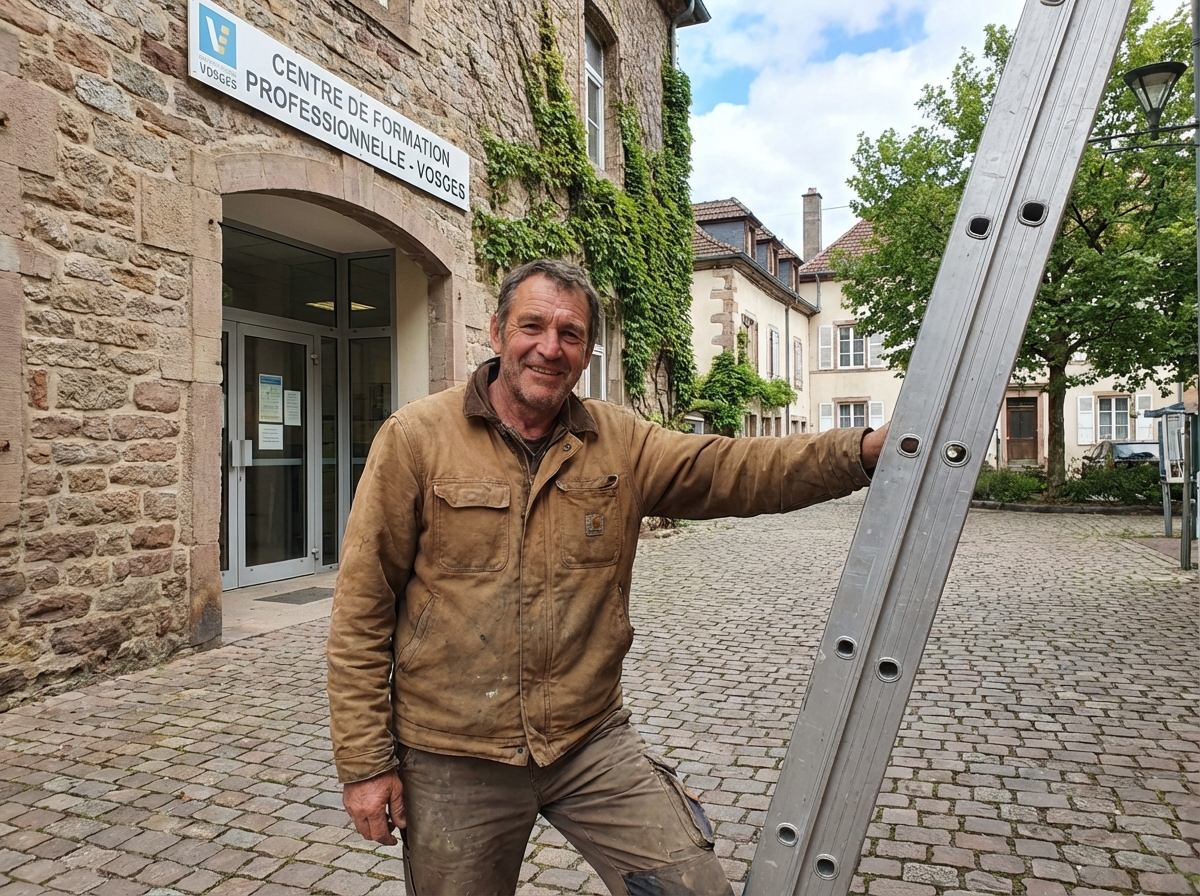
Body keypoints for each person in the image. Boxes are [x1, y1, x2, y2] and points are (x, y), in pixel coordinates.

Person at [326, 259, 888, 895]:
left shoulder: (619, 442)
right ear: (495, 331)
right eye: (531, 326)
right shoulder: (416, 438)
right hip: (454, 754)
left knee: (693, 888)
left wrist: (864, 450)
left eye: (570, 334)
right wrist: (365, 764)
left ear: (589, 350)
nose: (549, 347)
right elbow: (362, 609)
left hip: (588, 741)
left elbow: (740, 468)